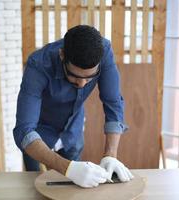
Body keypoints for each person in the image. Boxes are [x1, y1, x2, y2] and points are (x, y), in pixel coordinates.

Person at [13, 25, 133, 188]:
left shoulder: (103, 52)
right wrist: (68, 169)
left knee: (72, 190)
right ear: (62, 55)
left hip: (72, 130)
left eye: (90, 78)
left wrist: (110, 155)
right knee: (36, 188)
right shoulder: (38, 65)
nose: (82, 84)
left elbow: (113, 103)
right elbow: (24, 130)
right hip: (38, 137)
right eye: (75, 76)